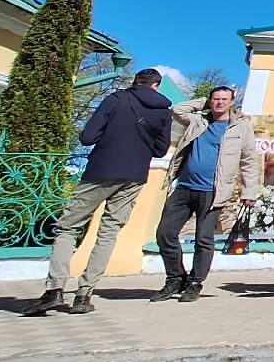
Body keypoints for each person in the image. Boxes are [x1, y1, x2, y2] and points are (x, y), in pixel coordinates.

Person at [25, 68, 174, 316]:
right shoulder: (163, 111)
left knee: (68, 227)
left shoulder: (116, 99)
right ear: (156, 86)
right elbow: (160, 150)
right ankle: (84, 295)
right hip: (134, 176)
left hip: (101, 170)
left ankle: (55, 290)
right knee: (108, 233)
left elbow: (87, 136)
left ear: (136, 82)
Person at [153, 85, 260, 303]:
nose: (220, 103)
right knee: (165, 234)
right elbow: (178, 110)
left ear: (232, 102)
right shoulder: (198, 121)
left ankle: (195, 282)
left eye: (224, 99)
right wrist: (204, 101)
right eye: (216, 99)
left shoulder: (241, 128)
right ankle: (175, 278)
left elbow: (249, 161)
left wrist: (250, 191)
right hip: (184, 187)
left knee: (203, 239)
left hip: (214, 192)